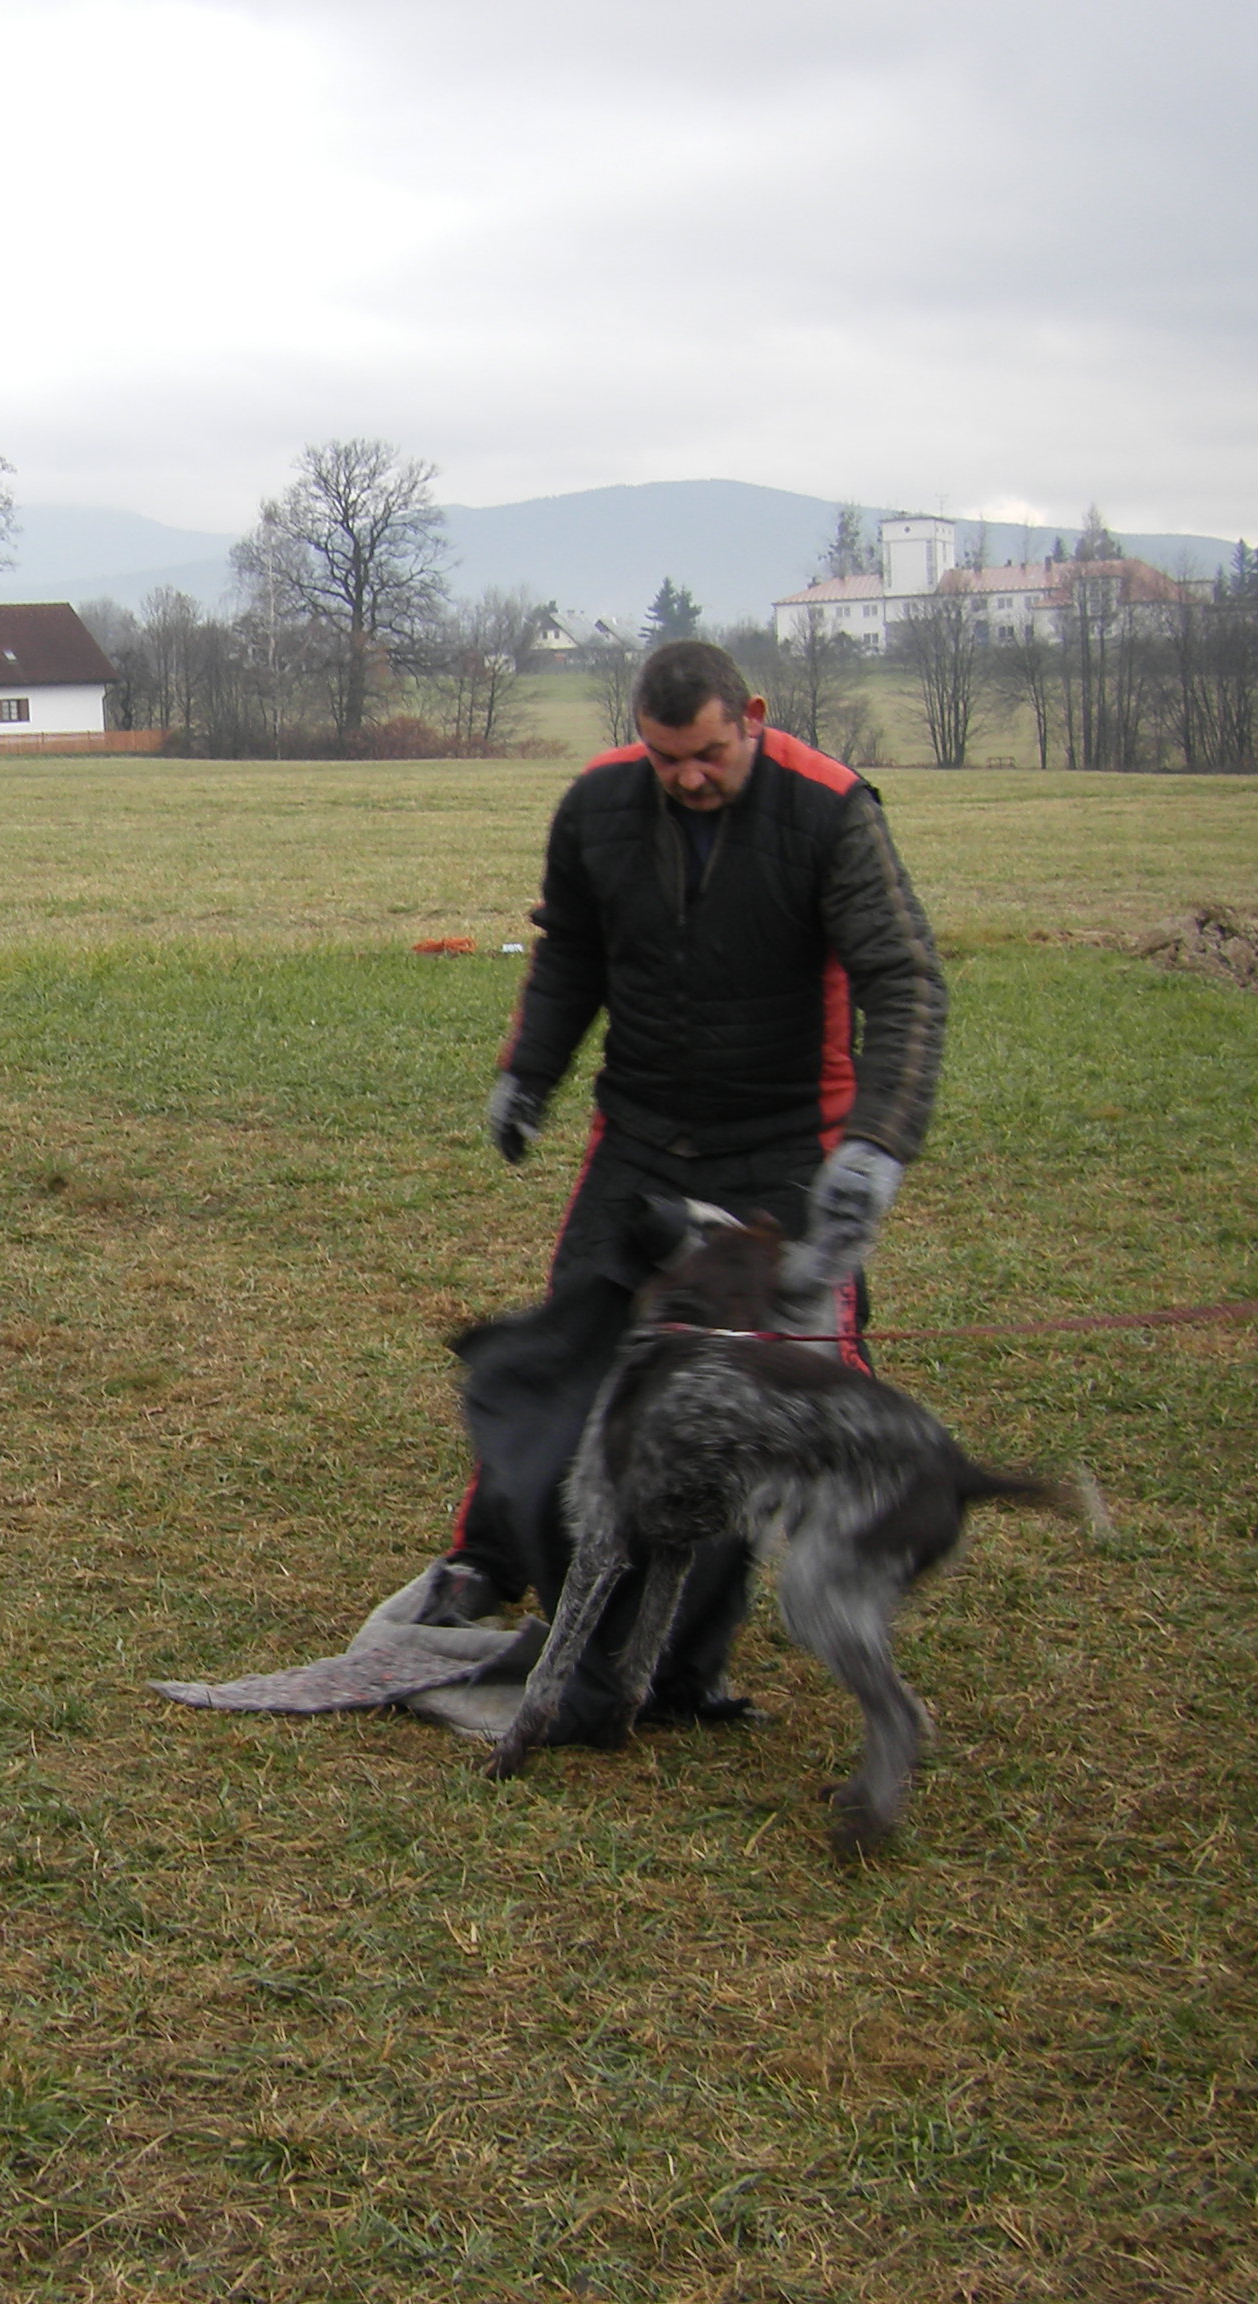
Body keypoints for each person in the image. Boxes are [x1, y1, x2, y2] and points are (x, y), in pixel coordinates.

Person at [421, 638, 947, 1744]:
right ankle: (487, 1559)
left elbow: (903, 979)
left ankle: (690, 1655)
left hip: (787, 1146)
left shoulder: (832, 811)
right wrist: (529, 1073)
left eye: (708, 753)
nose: (689, 777)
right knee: (573, 1354)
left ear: (750, 715)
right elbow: (571, 955)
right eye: (667, 759)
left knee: (772, 1400)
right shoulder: (599, 806)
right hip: (644, 1138)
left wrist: (878, 1147)